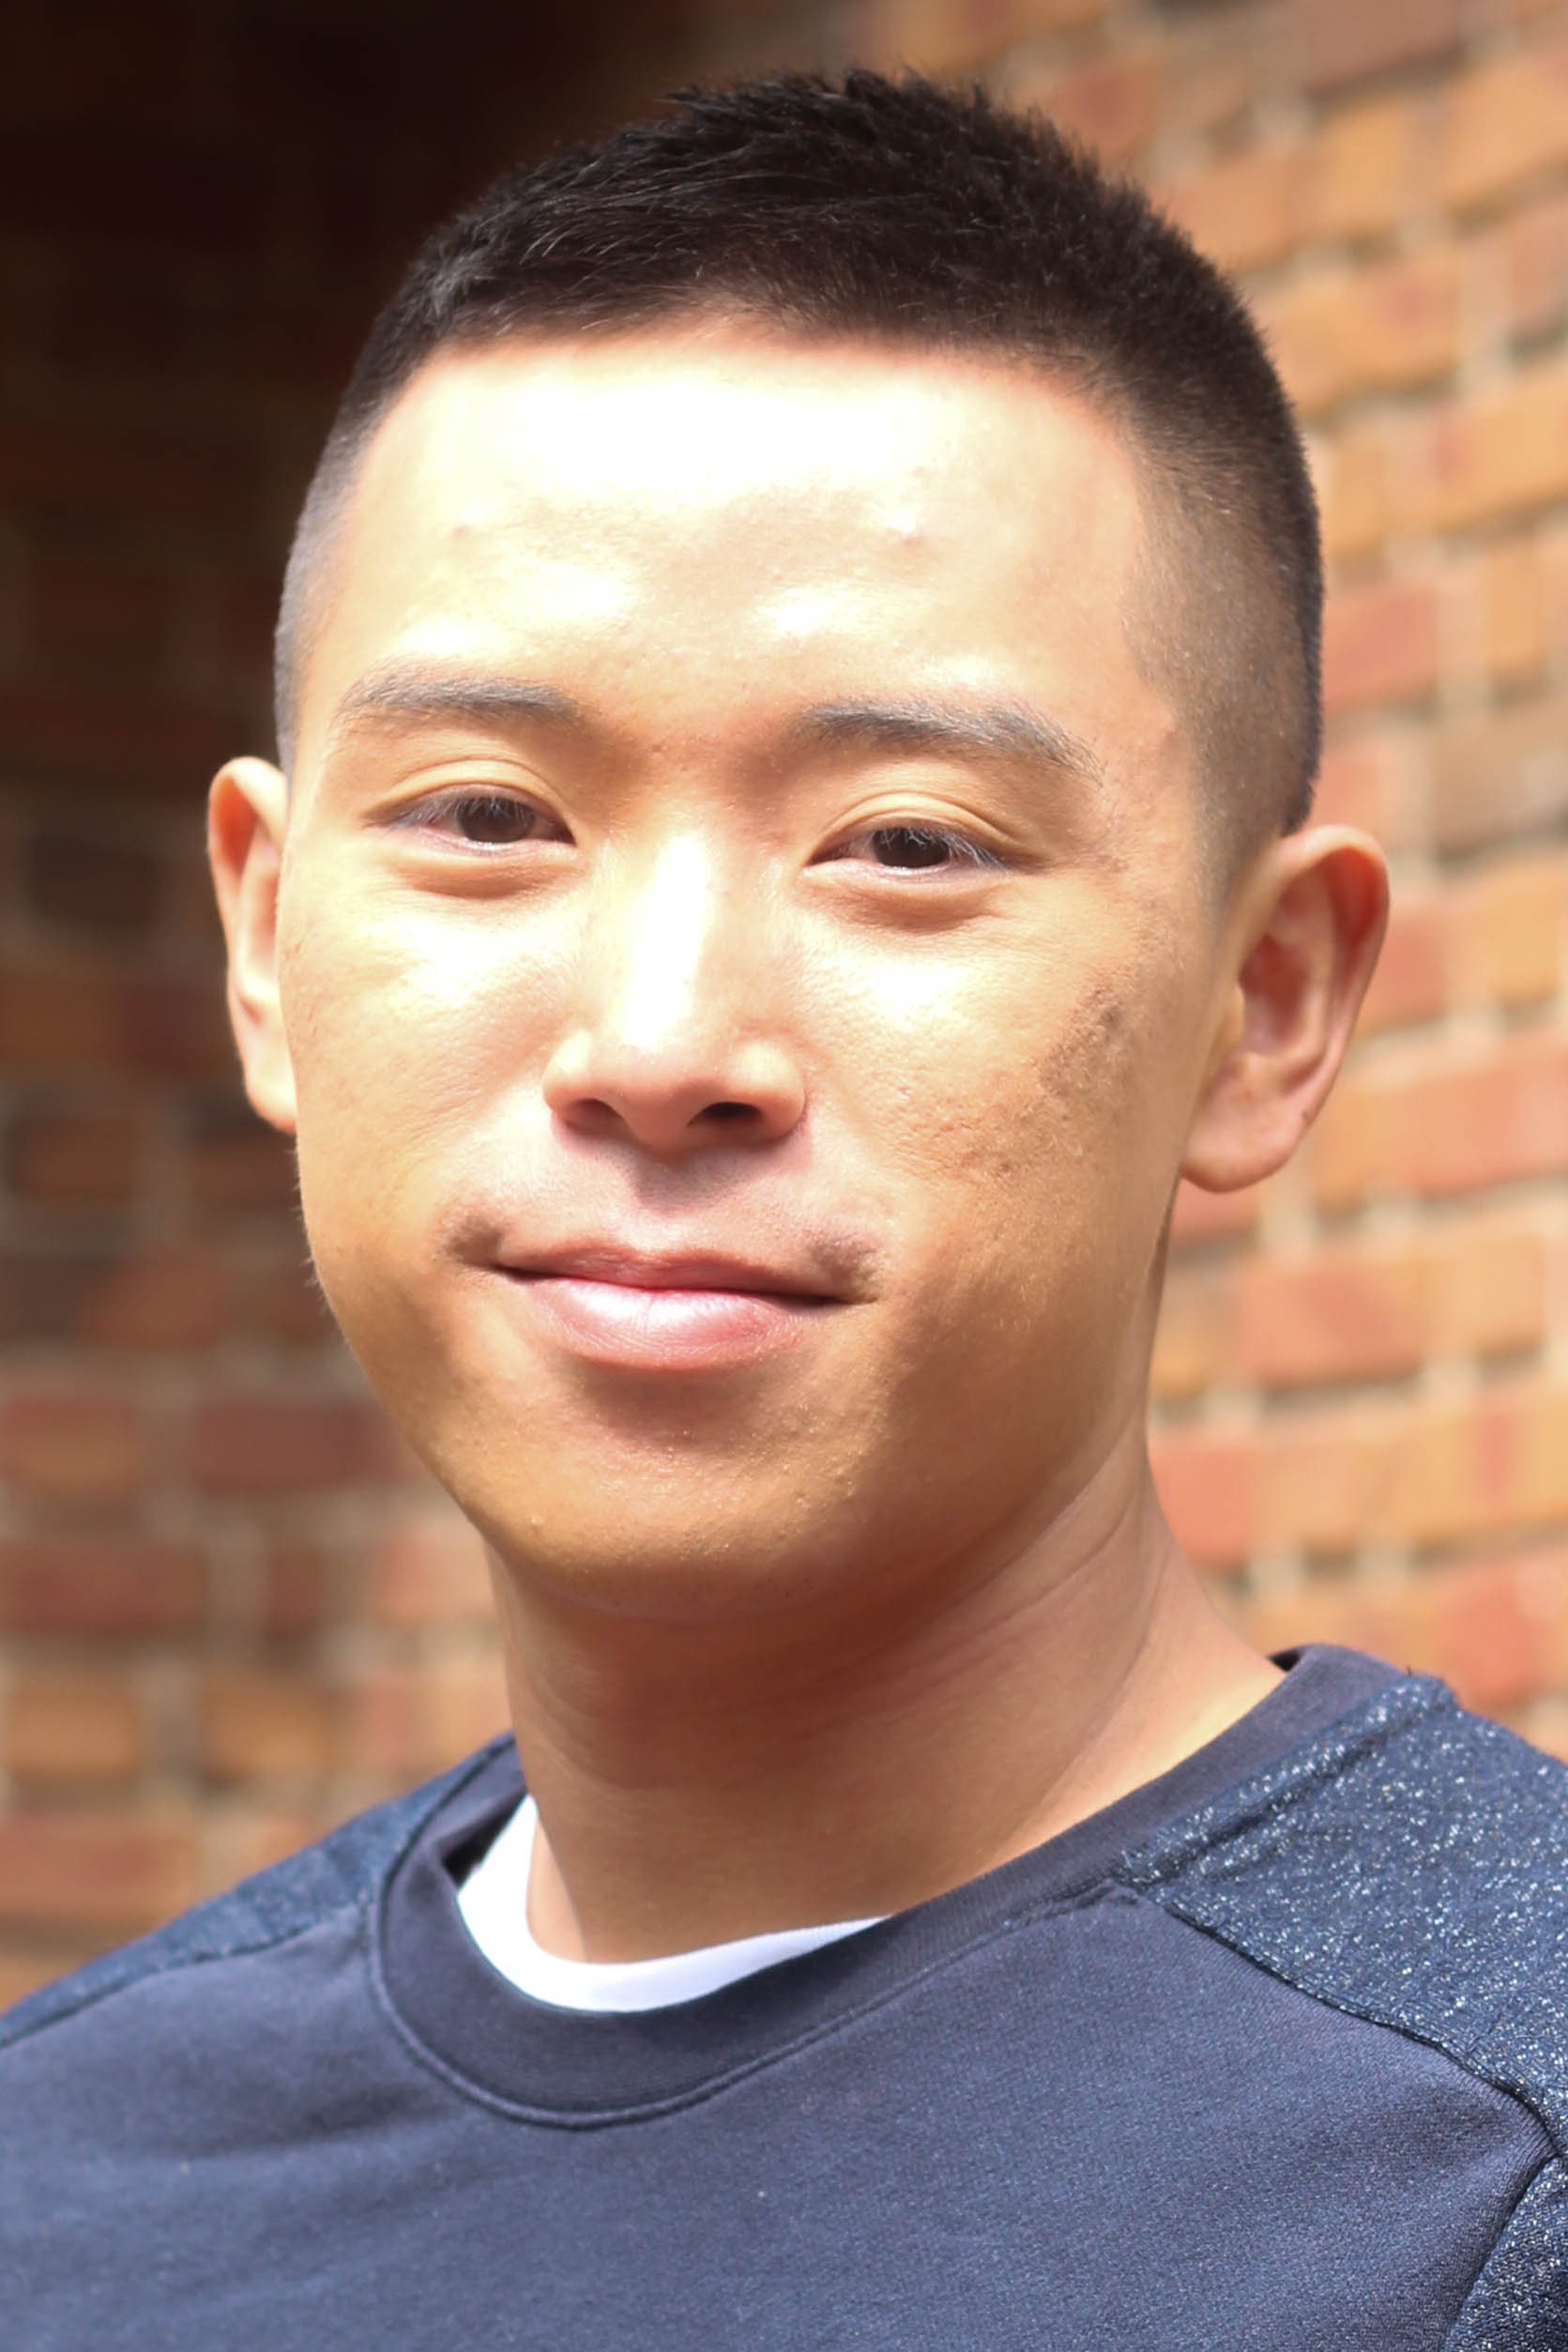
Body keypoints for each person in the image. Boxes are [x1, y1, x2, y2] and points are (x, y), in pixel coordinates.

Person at [3, 67, 1563, 2349]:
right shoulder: (63, 2184)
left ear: (1259, 1006)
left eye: (904, 843)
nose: (656, 1040)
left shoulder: (1486, 2175)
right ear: (263, 943)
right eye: (486, 815)